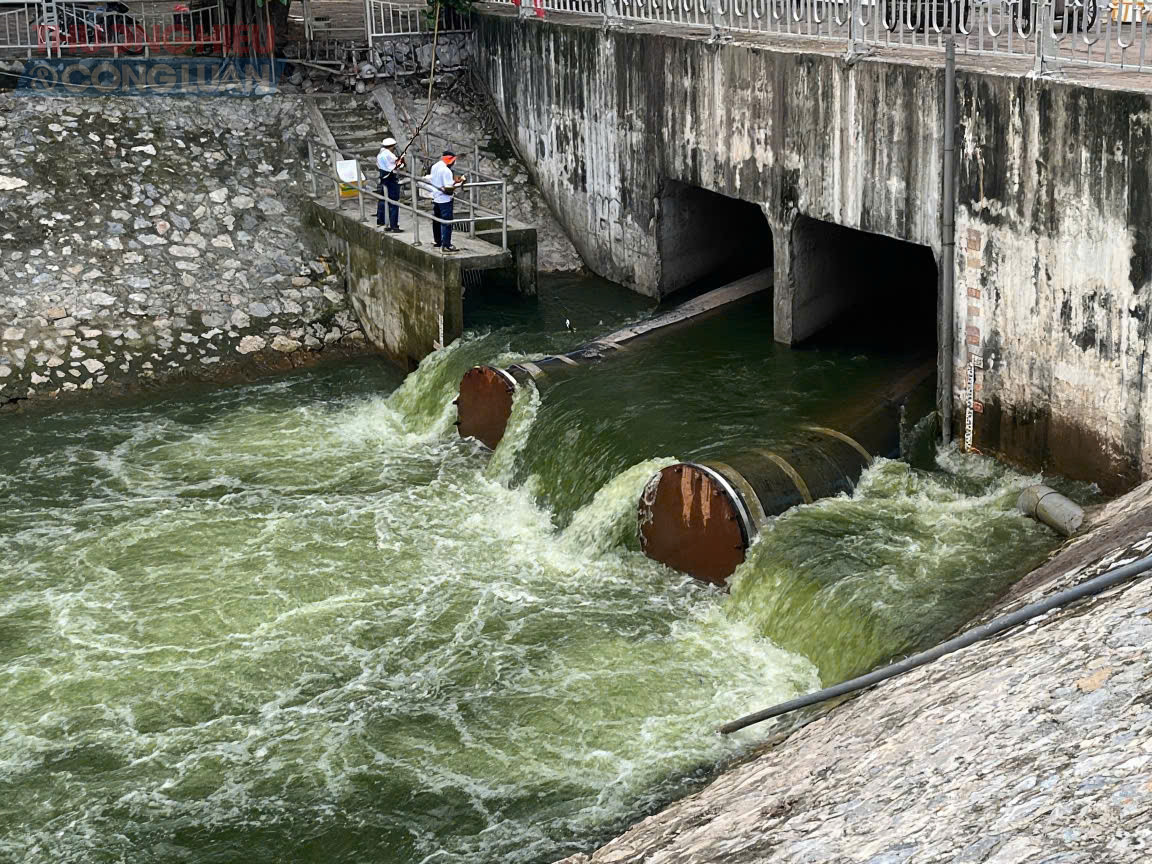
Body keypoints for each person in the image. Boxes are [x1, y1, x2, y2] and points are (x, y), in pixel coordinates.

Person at [428, 150, 464, 252]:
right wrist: (458, 184)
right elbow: (448, 188)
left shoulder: (435, 166)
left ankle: (438, 241)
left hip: (436, 197)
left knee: (437, 220)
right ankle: (446, 245)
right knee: (447, 222)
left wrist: (453, 181)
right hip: (445, 200)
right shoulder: (446, 171)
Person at [376, 137, 404, 232]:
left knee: (383, 199)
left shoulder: (380, 154)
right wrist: (401, 160)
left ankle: (381, 220)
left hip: (383, 176)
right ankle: (394, 226)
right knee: (394, 202)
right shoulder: (389, 155)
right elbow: (398, 164)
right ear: (391, 146)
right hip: (391, 178)